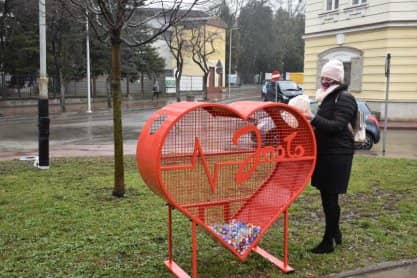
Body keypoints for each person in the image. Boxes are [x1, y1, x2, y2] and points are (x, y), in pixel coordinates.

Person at [303, 59, 358, 254]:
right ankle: (336, 234)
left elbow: (337, 126)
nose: (324, 81)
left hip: (338, 155)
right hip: (326, 153)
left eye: (328, 78)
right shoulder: (326, 97)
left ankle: (328, 241)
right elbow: (325, 124)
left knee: (330, 198)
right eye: (322, 77)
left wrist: (314, 118)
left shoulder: (344, 98)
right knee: (327, 196)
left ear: (336, 80)